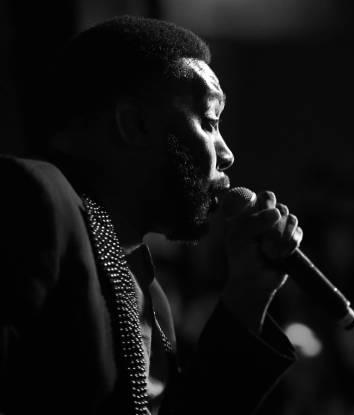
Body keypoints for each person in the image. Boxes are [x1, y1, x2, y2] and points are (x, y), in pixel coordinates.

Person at [0, 15, 304, 414]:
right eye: (210, 122)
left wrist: (250, 291)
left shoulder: (152, 298)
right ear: (136, 124)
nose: (227, 154)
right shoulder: (33, 195)